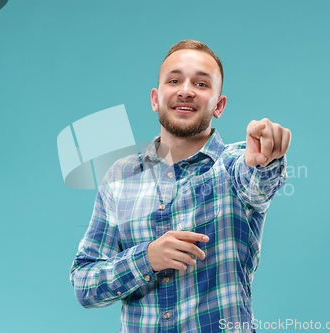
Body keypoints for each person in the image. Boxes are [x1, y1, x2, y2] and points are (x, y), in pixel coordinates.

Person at [70, 40, 291, 332]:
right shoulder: (120, 177)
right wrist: (146, 258)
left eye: (201, 84)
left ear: (218, 106)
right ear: (155, 98)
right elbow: (85, 284)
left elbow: (258, 184)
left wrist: (267, 158)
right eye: (174, 80)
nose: (186, 90)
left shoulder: (235, 166)